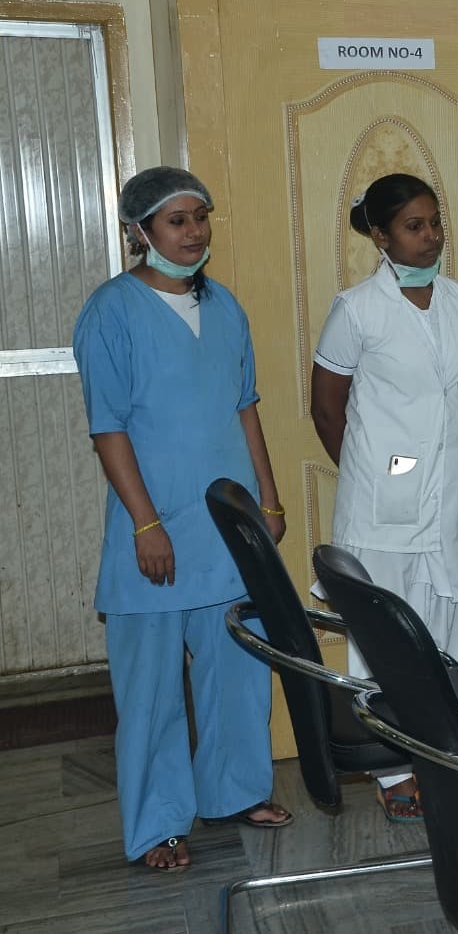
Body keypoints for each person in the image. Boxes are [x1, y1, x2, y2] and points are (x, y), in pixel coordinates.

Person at [72, 167, 293, 873]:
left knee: (238, 670)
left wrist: (268, 494)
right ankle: (158, 823)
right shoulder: (111, 311)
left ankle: (235, 791)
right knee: (153, 690)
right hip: (157, 534)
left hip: (228, 528)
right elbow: (108, 429)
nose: (194, 231)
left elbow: (244, 405)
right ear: (139, 232)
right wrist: (145, 523)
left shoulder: (223, 306)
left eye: (201, 216)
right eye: (176, 220)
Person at [310, 173, 458, 821]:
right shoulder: (357, 308)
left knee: (453, 621)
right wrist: (380, 473)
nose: (431, 236)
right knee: (386, 636)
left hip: (451, 494)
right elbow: (327, 408)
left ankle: (451, 757)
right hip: (384, 503)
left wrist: (428, 464)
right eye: (415, 226)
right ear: (381, 236)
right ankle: (393, 773)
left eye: (435, 222)